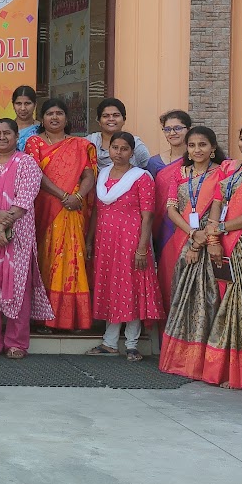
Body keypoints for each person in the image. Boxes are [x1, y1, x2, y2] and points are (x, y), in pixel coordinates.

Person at [160, 121, 242, 390]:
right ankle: (229, 370)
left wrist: (221, 229)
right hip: (226, 245)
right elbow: (218, 201)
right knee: (228, 309)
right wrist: (214, 237)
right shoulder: (232, 168)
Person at [0, 119, 51, 359]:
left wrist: (2, 227)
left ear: (16, 137)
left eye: (7, 133)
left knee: (17, 285)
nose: (2, 138)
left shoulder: (27, 164)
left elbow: (24, 200)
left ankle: (16, 342)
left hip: (17, 233)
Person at [84, 132, 163, 361]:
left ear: (132, 152)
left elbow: (148, 216)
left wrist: (141, 249)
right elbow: (97, 211)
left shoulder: (142, 177)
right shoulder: (103, 175)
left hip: (131, 242)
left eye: (124, 149)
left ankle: (131, 344)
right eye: (115, 148)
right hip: (106, 242)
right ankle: (109, 342)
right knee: (111, 287)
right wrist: (89, 241)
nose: (118, 153)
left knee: (131, 289)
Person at [25, 98, 95, 331]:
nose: (54, 117)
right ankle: (44, 318)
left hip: (74, 208)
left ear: (66, 118)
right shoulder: (34, 143)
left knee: (71, 258)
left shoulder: (80, 144)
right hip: (46, 207)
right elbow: (35, 173)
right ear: (42, 119)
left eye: (59, 113)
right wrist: (64, 196)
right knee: (46, 259)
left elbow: (88, 176)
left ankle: (71, 317)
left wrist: (77, 197)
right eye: (49, 114)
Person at [159, 126, 225, 307]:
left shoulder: (222, 173)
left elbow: (223, 208)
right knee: (182, 293)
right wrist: (193, 233)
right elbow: (171, 209)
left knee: (210, 293)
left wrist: (205, 237)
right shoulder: (179, 173)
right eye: (192, 145)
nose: (197, 150)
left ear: (213, 148)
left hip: (213, 238)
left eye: (202, 145)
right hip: (182, 237)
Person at [147, 110, 191, 265]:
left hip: (187, 222)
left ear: (188, 130)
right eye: (167, 129)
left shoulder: (196, 160)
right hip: (161, 224)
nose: (172, 133)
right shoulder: (154, 162)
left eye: (178, 128)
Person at [88, 98, 149, 169]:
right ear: (99, 121)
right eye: (105, 116)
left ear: (124, 119)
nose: (111, 119)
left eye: (116, 115)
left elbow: (149, 170)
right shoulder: (89, 143)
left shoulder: (135, 144)